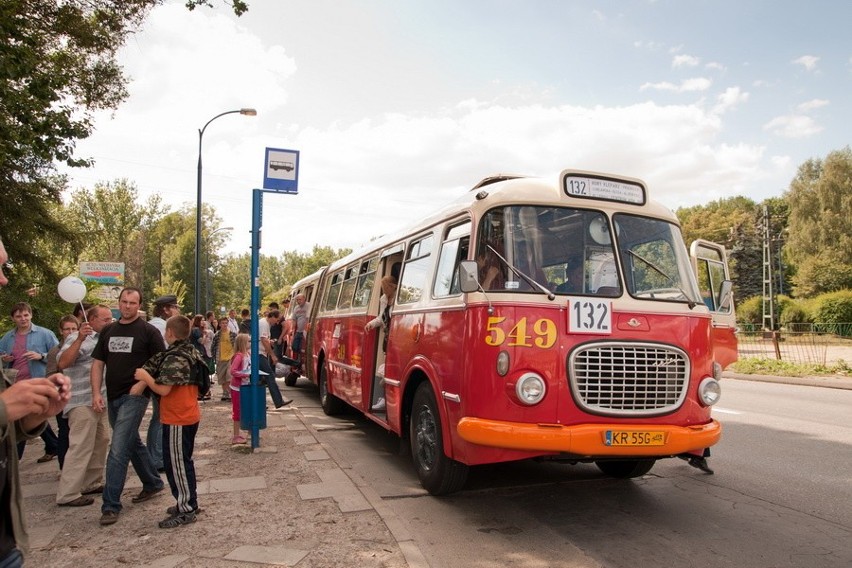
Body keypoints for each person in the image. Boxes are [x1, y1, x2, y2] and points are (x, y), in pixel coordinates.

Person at [0, 236, 72, 565]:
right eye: (0, 268)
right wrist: (6, 407)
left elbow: (54, 353)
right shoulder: (5, 337)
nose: (4, 279)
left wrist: (31, 415)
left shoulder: (43, 333)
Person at [91, 286, 166, 526]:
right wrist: (95, 393)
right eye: (124, 301)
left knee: (118, 448)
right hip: (112, 396)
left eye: (132, 303)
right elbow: (97, 364)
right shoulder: (108, 331)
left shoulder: (149, 332)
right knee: (131, 442)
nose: (127, 306)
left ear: (139, 305)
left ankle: (110, 504)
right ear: (118, 302)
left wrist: (143, 385)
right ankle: (153, 482)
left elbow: (160, 363)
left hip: (134, 397)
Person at [134, 315, 204, 528]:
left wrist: (145, 378)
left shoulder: (176, 357)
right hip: (187, 414)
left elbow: (164, 389)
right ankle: (188, 501)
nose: (164, 334)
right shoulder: (189, 350)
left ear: (171, 333)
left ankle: (186, 509)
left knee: (177, 466)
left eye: (166, 331)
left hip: (178, 417)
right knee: (183, 463)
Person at [54, 305, 112, 507]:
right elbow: (63, 363)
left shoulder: (102, 340)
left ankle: (91, 482)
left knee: (101, 441)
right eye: (105, 319)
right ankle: (68, 493)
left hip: (101, 399)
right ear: (92, 319)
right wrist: (78, 339)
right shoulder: (76, 338)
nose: (109, 322)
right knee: (80, 445)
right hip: (81, 401)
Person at [0, 302, 60, 464]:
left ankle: (15, 456)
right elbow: (1, 357)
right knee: (30, 415)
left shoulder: (44, 334)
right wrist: (4, 359)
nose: (23, 319)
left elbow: (59, 353)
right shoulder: (7, 338)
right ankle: (53, 445)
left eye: (26, 315)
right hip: (17, 384)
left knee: (26, 414)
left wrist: (41, 356)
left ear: (31, 315)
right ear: (13, 318)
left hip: (38, 381)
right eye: (19, 316)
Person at [147, 294, 180, 473]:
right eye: (175, 307)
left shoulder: (154, 324)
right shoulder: (161, 326)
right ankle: (157, 457)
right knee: (161, 418)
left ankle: (155, 455)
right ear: (166, 309)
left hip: (156, 375)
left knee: (158, 418)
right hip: (161, 377)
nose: (177, 310)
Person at [45, 315, 80, 469]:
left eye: (74, 329)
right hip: (63, 397)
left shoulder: (84, 346)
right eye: (67, 329)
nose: (71, 332)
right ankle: (64, 466)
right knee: (65, 432)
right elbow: (50, 376)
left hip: (80, 395)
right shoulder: (55, 351)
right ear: (61, 331)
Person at [365, 274, 399, 412]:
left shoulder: (399, 297)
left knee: (389, 369)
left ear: (392, 287)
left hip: (396, 337)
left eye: (386, 287)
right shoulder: (383, 299)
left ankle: (386, 399)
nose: (384, 290)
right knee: (386, 368)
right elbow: (381, 317)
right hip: (387, 338)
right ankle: (385, 399)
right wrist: (371, 324)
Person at [258, 310, 290, 408]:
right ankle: (278, 401)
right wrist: (272, 355)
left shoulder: (265, 324)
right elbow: (263, 340)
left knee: (261, 379)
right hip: (259, 354)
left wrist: (270, 341)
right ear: (272, 317)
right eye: (276, 320)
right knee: (270, 375)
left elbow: (264, 339)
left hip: (260, 353)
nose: (276, 323)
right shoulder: (264, 324)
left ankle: (260, 403)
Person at [228, 333, 251, 444]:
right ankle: (236, 436)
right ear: (243, 343)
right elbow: (233, 371)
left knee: (248, 408)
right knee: (237, 411)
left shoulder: (248, 354)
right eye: (248, 341)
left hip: (246, 386)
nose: (250, 343)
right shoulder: (239, 356)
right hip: (237, 388)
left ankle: (250, 432)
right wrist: (245, 375)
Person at [211, 317, 235, 402]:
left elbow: (235, 345)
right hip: (220, 358)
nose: (224, 324)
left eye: (226, 323)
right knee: (222, 377)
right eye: (223, 323)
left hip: (230, 358)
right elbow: (213, 346)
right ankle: (225, 393)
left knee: (229, 376)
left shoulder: (232, 334)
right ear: (220, 324)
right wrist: (213, 357)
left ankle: (229, 393)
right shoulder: (217, 335)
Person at [290, 294, 310, 370]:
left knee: (305, 348)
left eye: (300, 299)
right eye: (297, 300)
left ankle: (302, 363)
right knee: (294, 347)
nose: (298, 301)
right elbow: (294, 320)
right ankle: (299, 362)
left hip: (306, 331)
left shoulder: (309, 306)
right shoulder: (296, 308)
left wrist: (306, 329)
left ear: (304, 299)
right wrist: (292, 330)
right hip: (299, 331)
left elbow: (309, 318)